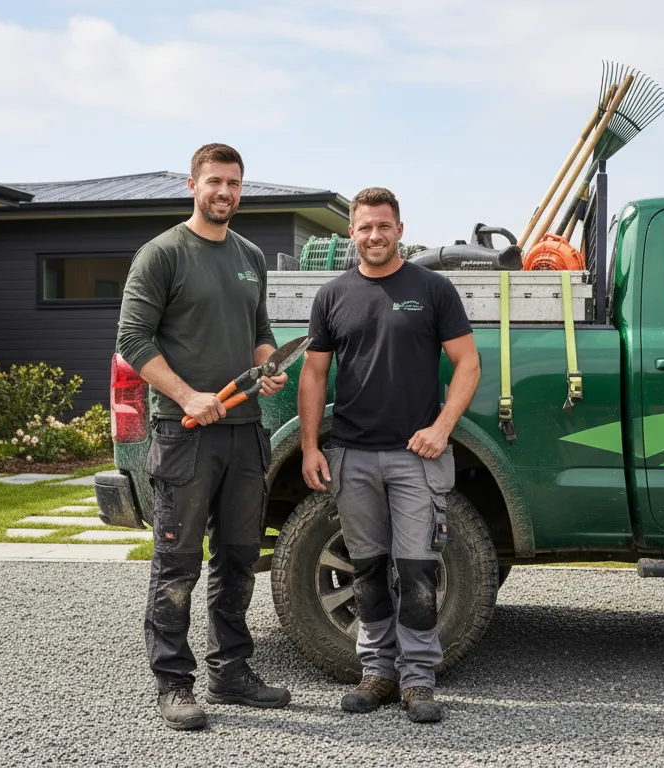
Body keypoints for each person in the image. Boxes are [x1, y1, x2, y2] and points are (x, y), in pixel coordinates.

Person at [116, 143, 292, 731]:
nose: (225, 193)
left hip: (245, 434)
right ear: (193, 185)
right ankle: (173, 684)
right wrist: (189, 395)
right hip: (185, 434)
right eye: (215, 182)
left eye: (235, 184)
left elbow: (260, 331)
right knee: (178, 562)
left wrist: (268, 366)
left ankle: (231, 672)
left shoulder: (249, 255)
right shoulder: (161, 254)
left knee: (239, 557)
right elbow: (135, 341)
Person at [297, 187, 480, 724]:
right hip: (352, 455)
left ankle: (419, 680)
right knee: (369, 569)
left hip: (414, 459)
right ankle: (377, 673)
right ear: (351, 233)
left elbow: (466, 364)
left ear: (399, 229)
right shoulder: (332, 296)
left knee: (419, 568)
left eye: (383, 226)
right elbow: (314, 373)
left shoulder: (432, 289)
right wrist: (310, 446)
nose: (373, 235)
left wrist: (442, 428)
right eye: (363, 227)